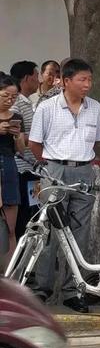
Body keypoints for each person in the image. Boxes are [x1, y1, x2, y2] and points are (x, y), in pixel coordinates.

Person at [28, 59, 100, 312]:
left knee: (80, 232)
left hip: (84, 171)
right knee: (50, 231)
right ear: (66, 81)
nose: (87, 84)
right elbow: (34, 143)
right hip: (55, 170)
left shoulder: (95, 108)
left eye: (89, 80)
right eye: (82, 79)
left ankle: (73, 289)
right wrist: (49, 168)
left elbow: (99, 141)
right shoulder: (47, 107)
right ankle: (42, 287)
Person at [10, 61, 39, 238]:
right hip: (21, 168)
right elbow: (16, 136)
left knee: (33, 211)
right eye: (36, 76)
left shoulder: (28, 102)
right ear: (27, 78)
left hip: (31, 167)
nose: (39, 80)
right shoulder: (16, 103)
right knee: (24, 216)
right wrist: (39, 138)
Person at [0, 74, 26, 257]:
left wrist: (17, 136)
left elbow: (21, 150)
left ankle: (10, 270)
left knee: (10, 227)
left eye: (14, 97)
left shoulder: (16, 117)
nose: (9, 100)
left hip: (9, 166)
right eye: (5, 96)